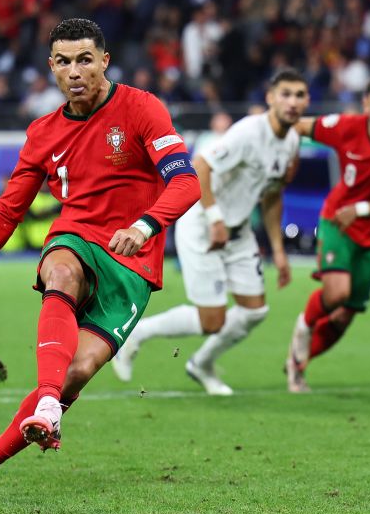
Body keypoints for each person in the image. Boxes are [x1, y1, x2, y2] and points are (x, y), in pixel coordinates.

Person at [0, 18, 200, 499]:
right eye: (64, 62)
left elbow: (186, 181)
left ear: (104, 61)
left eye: (85, 60)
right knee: (61, 269)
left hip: (132, 260)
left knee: (79, 371)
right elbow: (10, 207)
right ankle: (46, 403)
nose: (75, 72)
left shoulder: (141, 108)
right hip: (77, 234)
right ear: (51, 67)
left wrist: (144, 225)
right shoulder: (43, 132)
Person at [111, 69, 309, 394]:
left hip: (238, 229)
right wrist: (215, 218)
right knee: (212, 320)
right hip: (203, 222)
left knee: (255, 310)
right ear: (271, 98)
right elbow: (200, 165)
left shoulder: (291, 142)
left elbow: (272, 196)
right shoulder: (248, 132)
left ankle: (200, 364)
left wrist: (278, 250)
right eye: (285, 94)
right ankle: (138, 333)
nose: (293, 102)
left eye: (299, 95)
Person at [283, 74, 370, 393]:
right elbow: (298, 127)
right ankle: (302, 332)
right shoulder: (346, 127)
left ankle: (296, 364)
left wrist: (362, 209)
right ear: (367, 105)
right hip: (339, 222)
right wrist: (288, 158)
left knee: (344, 317)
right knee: (336, 293)